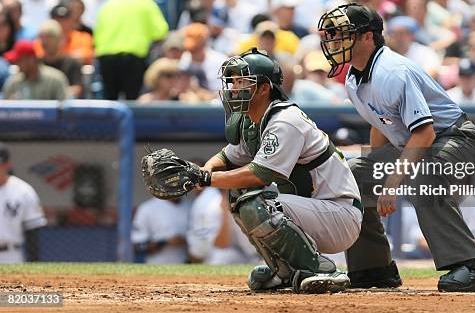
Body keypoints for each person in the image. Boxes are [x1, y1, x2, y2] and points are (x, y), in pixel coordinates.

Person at [318, 3, 475, 292]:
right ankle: (374, 268)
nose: (335, 42)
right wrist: (376, 170)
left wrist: (391, 182)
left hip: (456, 138)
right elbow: (380, 123)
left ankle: (469, 267)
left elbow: (423, 134)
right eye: (333, 35)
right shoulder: (352, 78)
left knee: (425, 175)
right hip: (415, 143)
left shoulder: (392, 71)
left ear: (367, 37)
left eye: (344, 34)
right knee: (354, 174)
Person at [189, 48, 362, 293]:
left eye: (243, 82)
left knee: (257, 202)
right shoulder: (254, 121)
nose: (235, 88)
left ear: (264, 88)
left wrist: (207, 179)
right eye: (233, 82)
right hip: (313, 210)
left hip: (338, 214)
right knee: (238, 195)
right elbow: (227, 157)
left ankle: (322, 269)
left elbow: (260, 175)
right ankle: (284, 270)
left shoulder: (285, 120)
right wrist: (202, 170)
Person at [94, 0, 169, 100]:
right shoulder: (146, 3)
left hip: (106, 57)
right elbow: (161, 32)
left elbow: (97, 35)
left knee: (109, 102)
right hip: (133, 58)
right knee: (132, 101)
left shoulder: (108, 5)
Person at [0, 142, 47, 263]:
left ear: (7, 165)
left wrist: (34, 265)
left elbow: (32, 233)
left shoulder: (23, 191)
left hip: (10, 255)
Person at [187, 186, 259, 264]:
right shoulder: (209, 199)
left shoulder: (212, 198)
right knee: (220, 256)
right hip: (221, 253)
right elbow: (220, 243)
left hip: (245, 253)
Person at [2, 40, 70, 100]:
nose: (16, 63)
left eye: (19, 60)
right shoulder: (13, 83)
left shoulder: (55, 80)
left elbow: (66, 110)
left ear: (31, 59)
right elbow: (5, 111)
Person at [131, 196, 190, 264]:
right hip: (156, 266)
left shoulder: (190, 205)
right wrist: (165, 242)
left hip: (186, 265)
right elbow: (137, 246)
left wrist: (186, 240)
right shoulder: (147, 208)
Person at [37, 19, 83, 98]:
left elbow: (77, 89)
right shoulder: (37, 64)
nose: (44, 41)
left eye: (49, 36)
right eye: (42, 37)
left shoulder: (71, 63)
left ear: (60, 39)